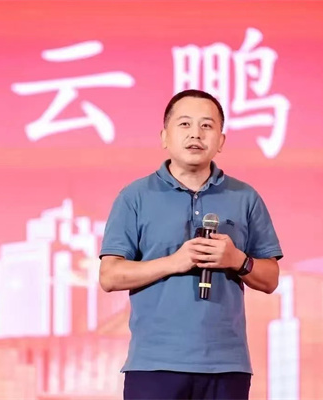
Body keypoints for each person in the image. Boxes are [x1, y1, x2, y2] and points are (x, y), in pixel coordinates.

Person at [98, 89, 283, 400]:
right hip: (154, 364)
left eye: (206, 126)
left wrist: (237, 260)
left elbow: (270, 278)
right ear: (164, 137)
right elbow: (110, 276)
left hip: (227, 365)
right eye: (184, 124)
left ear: (221, 141)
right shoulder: (134, 196)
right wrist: (175, 262)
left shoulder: (245, 197)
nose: (196, 134)